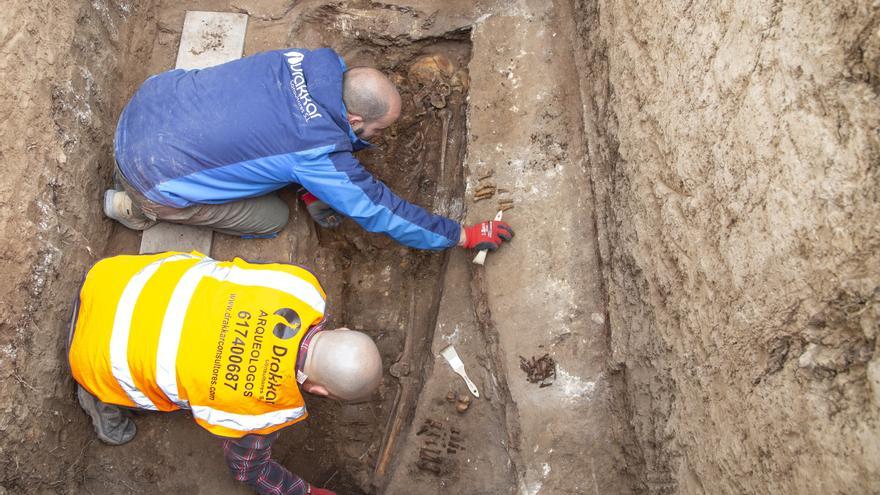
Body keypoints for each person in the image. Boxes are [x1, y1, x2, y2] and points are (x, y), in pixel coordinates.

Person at [104, 47, 513, 252]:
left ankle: (307, 186)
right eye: (376, 129)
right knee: (272, 216)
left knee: (265, 146)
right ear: (354, 121)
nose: (377, 137)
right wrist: (460, 235)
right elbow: (380, 211)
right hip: (149, 175)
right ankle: (135, 210)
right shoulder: (318, 150)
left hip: (147, 103)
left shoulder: (307, 58)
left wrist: (313, 184)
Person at [68, 251, 384, 495]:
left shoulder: (302, 287)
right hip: (92, 354)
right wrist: (303, 491)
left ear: (342, 329)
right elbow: (249, 469)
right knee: (147, 390)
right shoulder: (262, 413)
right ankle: (98, 397)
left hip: (114, 279)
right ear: (319, 391)